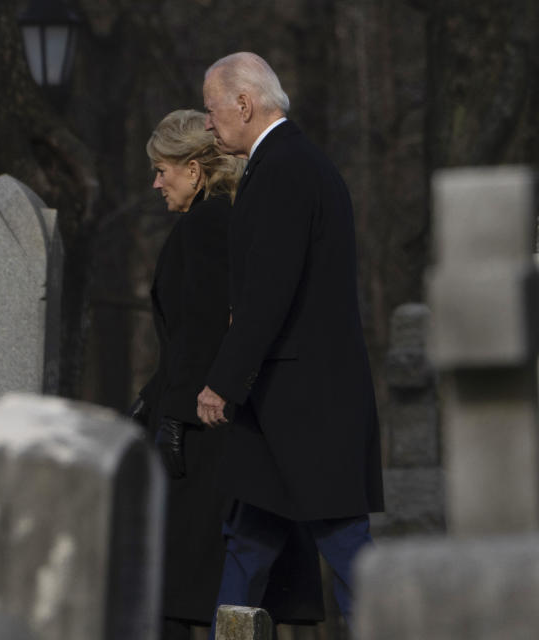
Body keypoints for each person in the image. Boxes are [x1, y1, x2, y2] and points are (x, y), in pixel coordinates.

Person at [196, 52, 384, 629]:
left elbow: (268, 294)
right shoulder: (287, 162)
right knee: (248, 540)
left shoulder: (284, 168)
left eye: (212, 108)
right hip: (286, 401)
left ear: (244, 104)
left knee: (347, 549)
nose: (208, 123)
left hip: (304, 403)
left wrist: (221, 382)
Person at [130, 108, 243, 639]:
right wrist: (148, 399)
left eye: (162, 169)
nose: (156, 183)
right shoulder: (218, 221)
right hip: (196, 418)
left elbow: (199, 336)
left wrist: (171, 418)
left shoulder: (203, 227)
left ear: (194, 171)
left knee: (175, 585)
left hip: (197, 433)